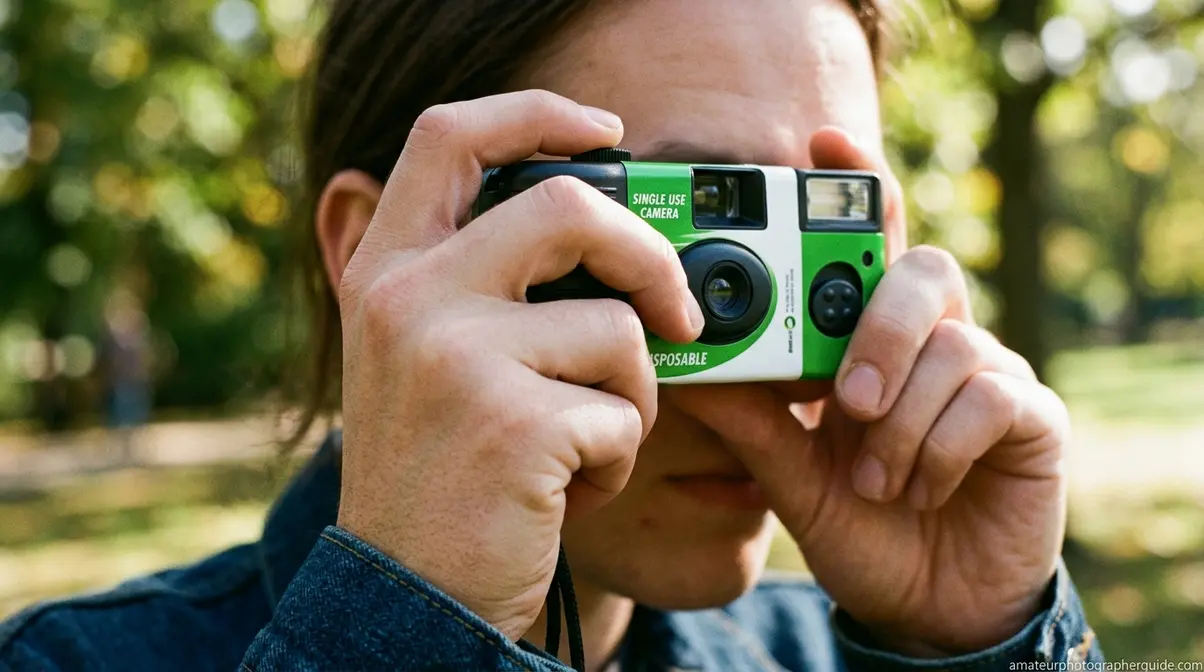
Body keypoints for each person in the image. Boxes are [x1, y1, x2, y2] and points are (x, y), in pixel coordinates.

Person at [0, 0, 1105, 670]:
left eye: (814, 241)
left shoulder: (835, 654)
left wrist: (984, 647)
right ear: (365, 252)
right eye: (670, 224)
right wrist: (405, 635)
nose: (751, 343)